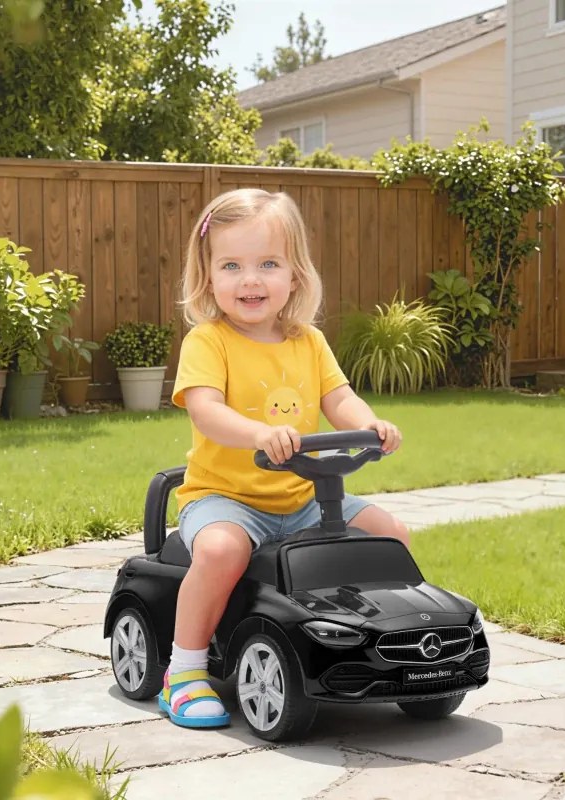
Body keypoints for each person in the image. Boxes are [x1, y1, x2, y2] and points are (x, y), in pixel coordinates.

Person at [158, 188, 409, 729]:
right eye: (232, 265)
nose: (250, 280)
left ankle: (372, 642)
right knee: (222, 551)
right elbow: (207, 412)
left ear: (295, 274)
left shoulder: (308, 341)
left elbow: (339, 398)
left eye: (267, 264)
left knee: (390, 534)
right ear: (208, 277)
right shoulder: (210, 341)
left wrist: (368, 424)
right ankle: (184, 672)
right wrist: (259, 433)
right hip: (225, 498)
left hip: (303, 499)